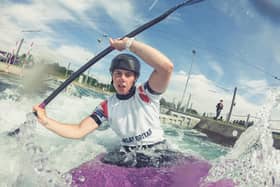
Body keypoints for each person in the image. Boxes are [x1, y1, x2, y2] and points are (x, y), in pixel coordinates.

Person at [33, 37, 181, 168]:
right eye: (118, 74)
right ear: (112, 77)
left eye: (128, 74)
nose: (122, 78)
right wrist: (45, 120)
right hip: (129, 155)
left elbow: (166, 68)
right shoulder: (106, 107)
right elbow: (79, 131)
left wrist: (129, 44)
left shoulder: (146, 94)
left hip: (157, 152)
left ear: (134, 78)